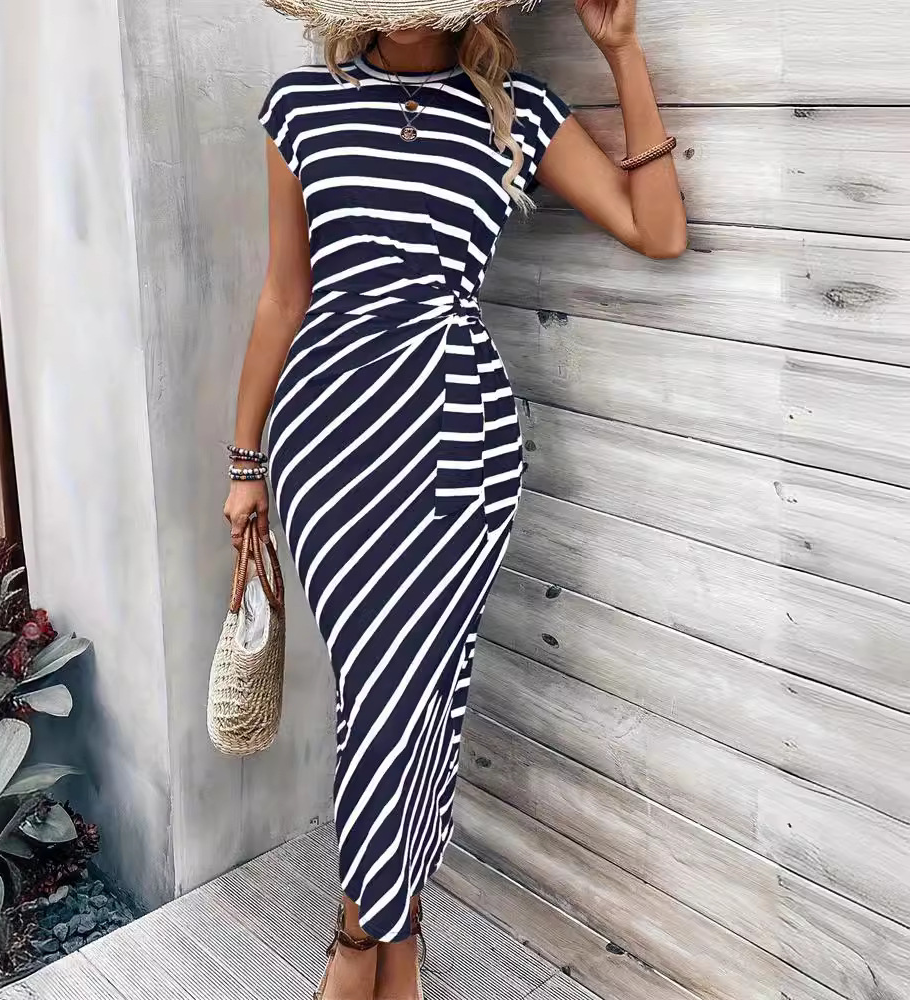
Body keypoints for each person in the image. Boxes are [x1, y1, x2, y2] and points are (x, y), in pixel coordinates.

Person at [224, 0, 686, 996]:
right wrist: (244, 462)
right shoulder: (301, 103)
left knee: (423, 694)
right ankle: (389, 944)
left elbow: (656, 229)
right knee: (377, 691)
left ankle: (367, 943)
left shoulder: (514, 109)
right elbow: (282, 295)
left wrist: (622, 53)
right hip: (328, 441)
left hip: (458, 436)